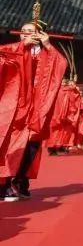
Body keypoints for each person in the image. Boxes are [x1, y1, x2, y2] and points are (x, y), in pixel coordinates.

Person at [0, 23, 67, 202]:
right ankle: (4, 185)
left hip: (37, 110)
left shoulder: (46, 53)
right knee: (10, 147)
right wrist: (23, 46)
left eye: (31, 32)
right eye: (24, 32)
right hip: (15, 109)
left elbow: (61, 64)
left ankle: (21, 182)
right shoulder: (11, 50)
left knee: (31, 148)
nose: (26, 35)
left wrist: (48, 45)